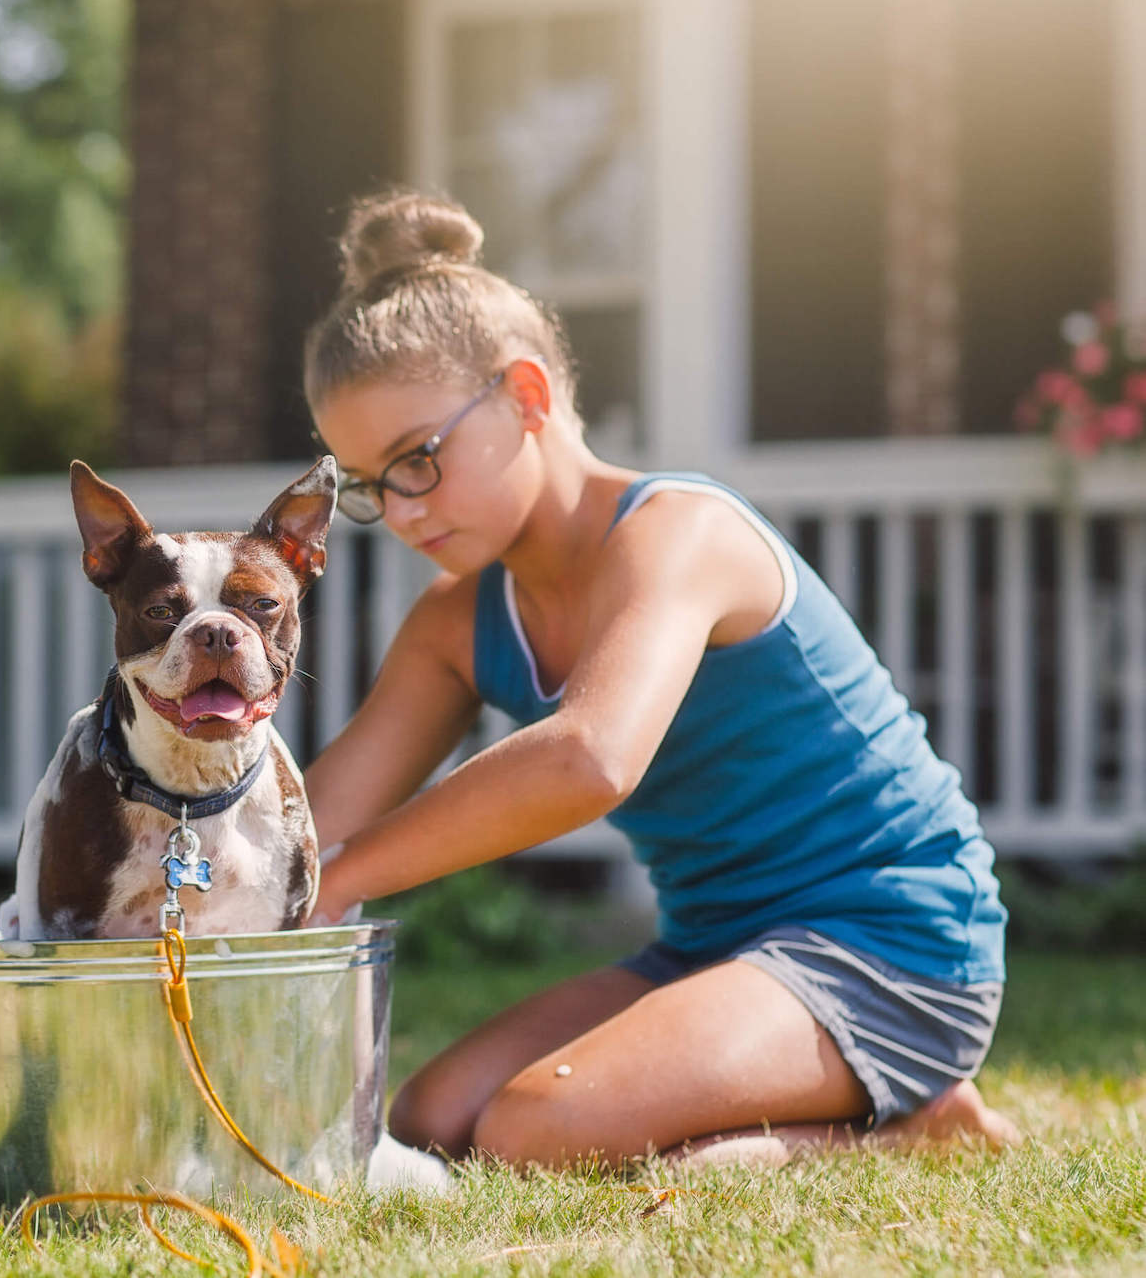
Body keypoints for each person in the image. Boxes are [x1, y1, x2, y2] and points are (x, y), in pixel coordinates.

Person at [299, 189, 1019, 1169]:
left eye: (415, 460)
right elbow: (311, 817)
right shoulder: (454, 621)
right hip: (711, 950)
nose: (402, 509)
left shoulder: (678, 532)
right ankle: (799, 1101)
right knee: (436, 1118)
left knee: (529, 1131)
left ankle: (912, 1130)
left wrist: (344, 875)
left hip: (888, 938)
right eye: (365, 485)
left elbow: (589, 759)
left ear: (527, 396)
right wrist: (169, 869)